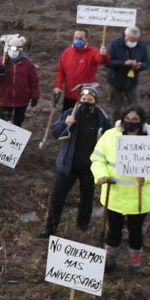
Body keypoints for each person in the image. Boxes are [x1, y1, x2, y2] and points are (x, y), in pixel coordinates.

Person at [91, 106, 150, 276]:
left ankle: (135, 263)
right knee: (113, 230)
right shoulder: (110, 136)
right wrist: (101, 176)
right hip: (114, 194)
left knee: (136, 232)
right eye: (128, 118)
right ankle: (110, 261)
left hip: (139, 198)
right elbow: (97, 158)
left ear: (141, 121)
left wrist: (147, 178)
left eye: (135, 119)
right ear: (122, 119)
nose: (131, 122)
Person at [42, 85, 111, 238]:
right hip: (68, 165)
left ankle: (82, 227)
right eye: (83, 99)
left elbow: (111, 137)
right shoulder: (70, 113)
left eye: (89, 99)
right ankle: (50, 230)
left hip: (90, 166)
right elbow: (55, 133)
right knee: (57, 198)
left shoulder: (102, 118)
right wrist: (66, 123)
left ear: (95, 101)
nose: (85, 102)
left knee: (86, 198)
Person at [0, 34, 40, 127]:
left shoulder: (28, 64)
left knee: (17, 125)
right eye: (11, 50)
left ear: (20, 50)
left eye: (15, 50)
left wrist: (35, 96)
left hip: (21, 101)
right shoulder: (2, 62)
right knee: (3, 125)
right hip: (6, 100)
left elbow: (34, 81)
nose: (13, 52)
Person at [53, 27, 108, 110]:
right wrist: (58, 86)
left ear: (86, 39)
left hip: (86, 96)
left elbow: (101, 60)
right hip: (69, 94)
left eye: (80, 38)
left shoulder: (93, 52)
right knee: (67, 117)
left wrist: (104, 55)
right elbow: (60, 71)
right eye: (76, 38)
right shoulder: (67, 52)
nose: (77, 40)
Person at [104, 25, 150, 119]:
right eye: (131, 40)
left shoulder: (141, 45)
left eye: (135, 40)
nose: (133, 42)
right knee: (116, 109)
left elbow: (147, 62)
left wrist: (140, 66)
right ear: (125, 36)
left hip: (132, 82)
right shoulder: (114, 44)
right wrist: (124, 63)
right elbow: (107, 62)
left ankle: (134, 128)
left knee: (136, 107)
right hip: (115, 81)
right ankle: (116, 129)